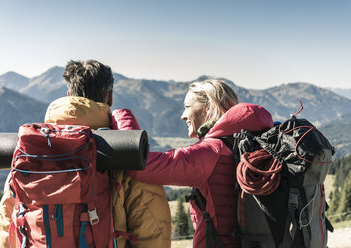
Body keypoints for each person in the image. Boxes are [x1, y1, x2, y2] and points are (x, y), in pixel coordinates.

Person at [0, 59, 171, 248]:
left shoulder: (31, 151)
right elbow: (154, 233)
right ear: (110, 97)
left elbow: (7, 226)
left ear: (69, 94)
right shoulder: (125, 154)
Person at [111, 79, 274, 248]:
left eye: (187, 107)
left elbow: (143, 165)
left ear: (210, 106)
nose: (183, 115)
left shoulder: (212, 151)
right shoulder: (250, 143)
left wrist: (121, 115)